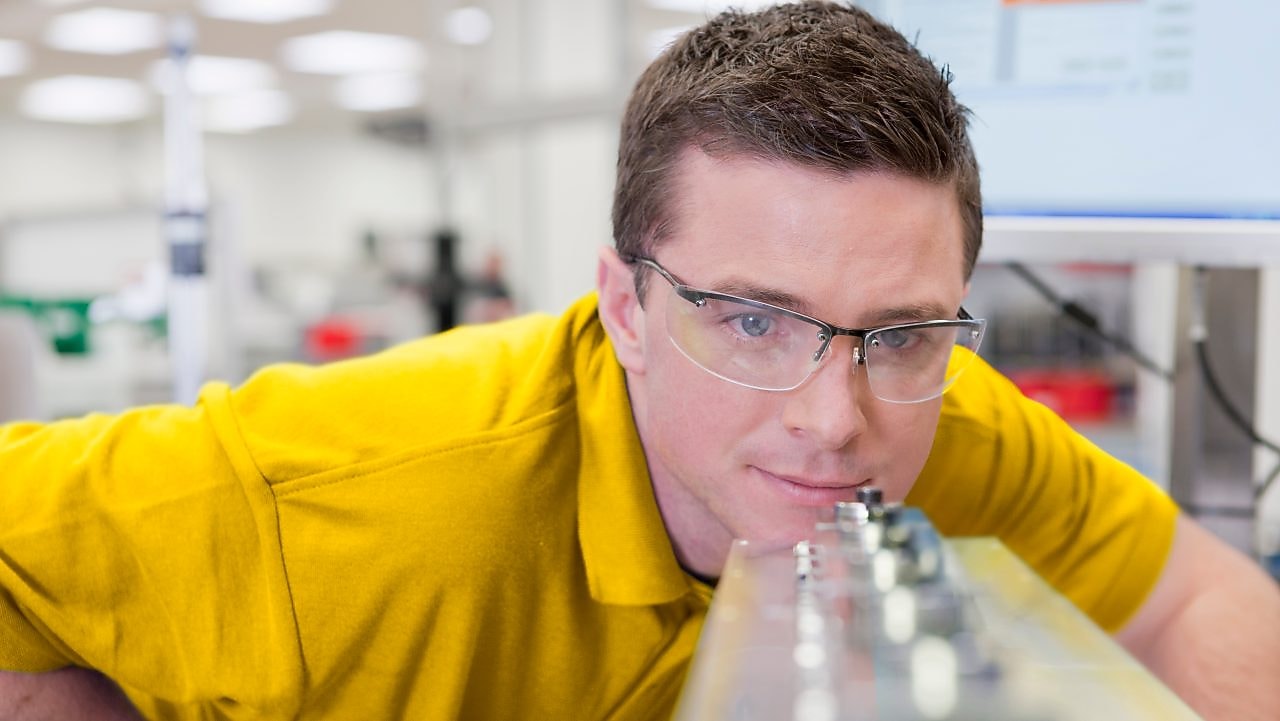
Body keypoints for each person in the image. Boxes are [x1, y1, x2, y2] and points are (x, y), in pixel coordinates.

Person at [2, 3, 1278, 719]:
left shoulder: (945, 417)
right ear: (623, 306)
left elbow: (1201, 602)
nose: (833, 421)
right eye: (753, 320)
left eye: (897, 331)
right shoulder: (351, 492)